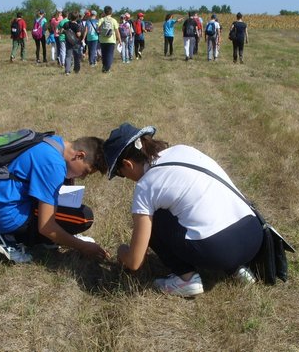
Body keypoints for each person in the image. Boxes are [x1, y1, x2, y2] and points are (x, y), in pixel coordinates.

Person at [103, 123, 263, 297]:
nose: (125, 178)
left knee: (153, 218)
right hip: (253, 234)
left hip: (220, 251)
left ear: (127, 164)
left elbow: (134, 262)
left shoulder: (145, 186)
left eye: (120, 173)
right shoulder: (183, 150)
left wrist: (122, 251)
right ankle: (237, 267)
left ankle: (186, 279)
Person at [0, 133, 109, 263]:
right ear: (80, 155)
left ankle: (49, 238)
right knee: (83, 217)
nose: (83, 177)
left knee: (66, 199)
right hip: (6, 216)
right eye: (86, 171)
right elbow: (47, 227)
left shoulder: (55, 142)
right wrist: (83, 246)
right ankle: (10, 237)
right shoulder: (53, 164)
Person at [97, 5, 121, 73]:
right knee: (110, 55)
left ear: (104, 12)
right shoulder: (114, 20)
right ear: (111, 13)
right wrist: (119, 40)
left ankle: (104, 67)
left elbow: (97, 29)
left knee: (104, 55)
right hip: (111, 40)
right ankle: (107, 68)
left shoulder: (101, 19)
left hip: (102, 40)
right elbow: (117, 31)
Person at [64, 11, 84, 75]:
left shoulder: (66, 24)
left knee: (68, 56)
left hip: (68, 41)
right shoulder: (76, 25)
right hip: (76, 42)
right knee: (76, 56)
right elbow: (78, 34)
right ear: (77, 17)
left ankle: (67, 70)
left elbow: (61, 30)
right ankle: (76, 69)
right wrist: (80, 33)